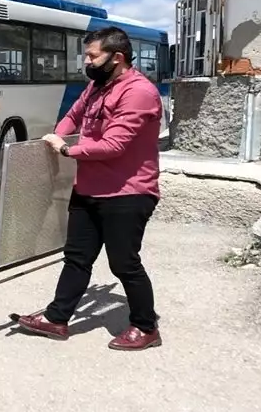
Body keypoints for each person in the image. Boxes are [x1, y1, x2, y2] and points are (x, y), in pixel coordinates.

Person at [13, 26, 164, 352]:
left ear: (117, 58)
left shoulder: (139, 92)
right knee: (77, 258)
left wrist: (67, 149)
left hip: (128, 192)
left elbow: (115, 145)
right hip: (89, 188)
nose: (87, 61)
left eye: (93, 56)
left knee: (124, 263)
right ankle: (57, 318)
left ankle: (145, 326)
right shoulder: (97, 86)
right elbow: (74, 115)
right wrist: (56, 136)